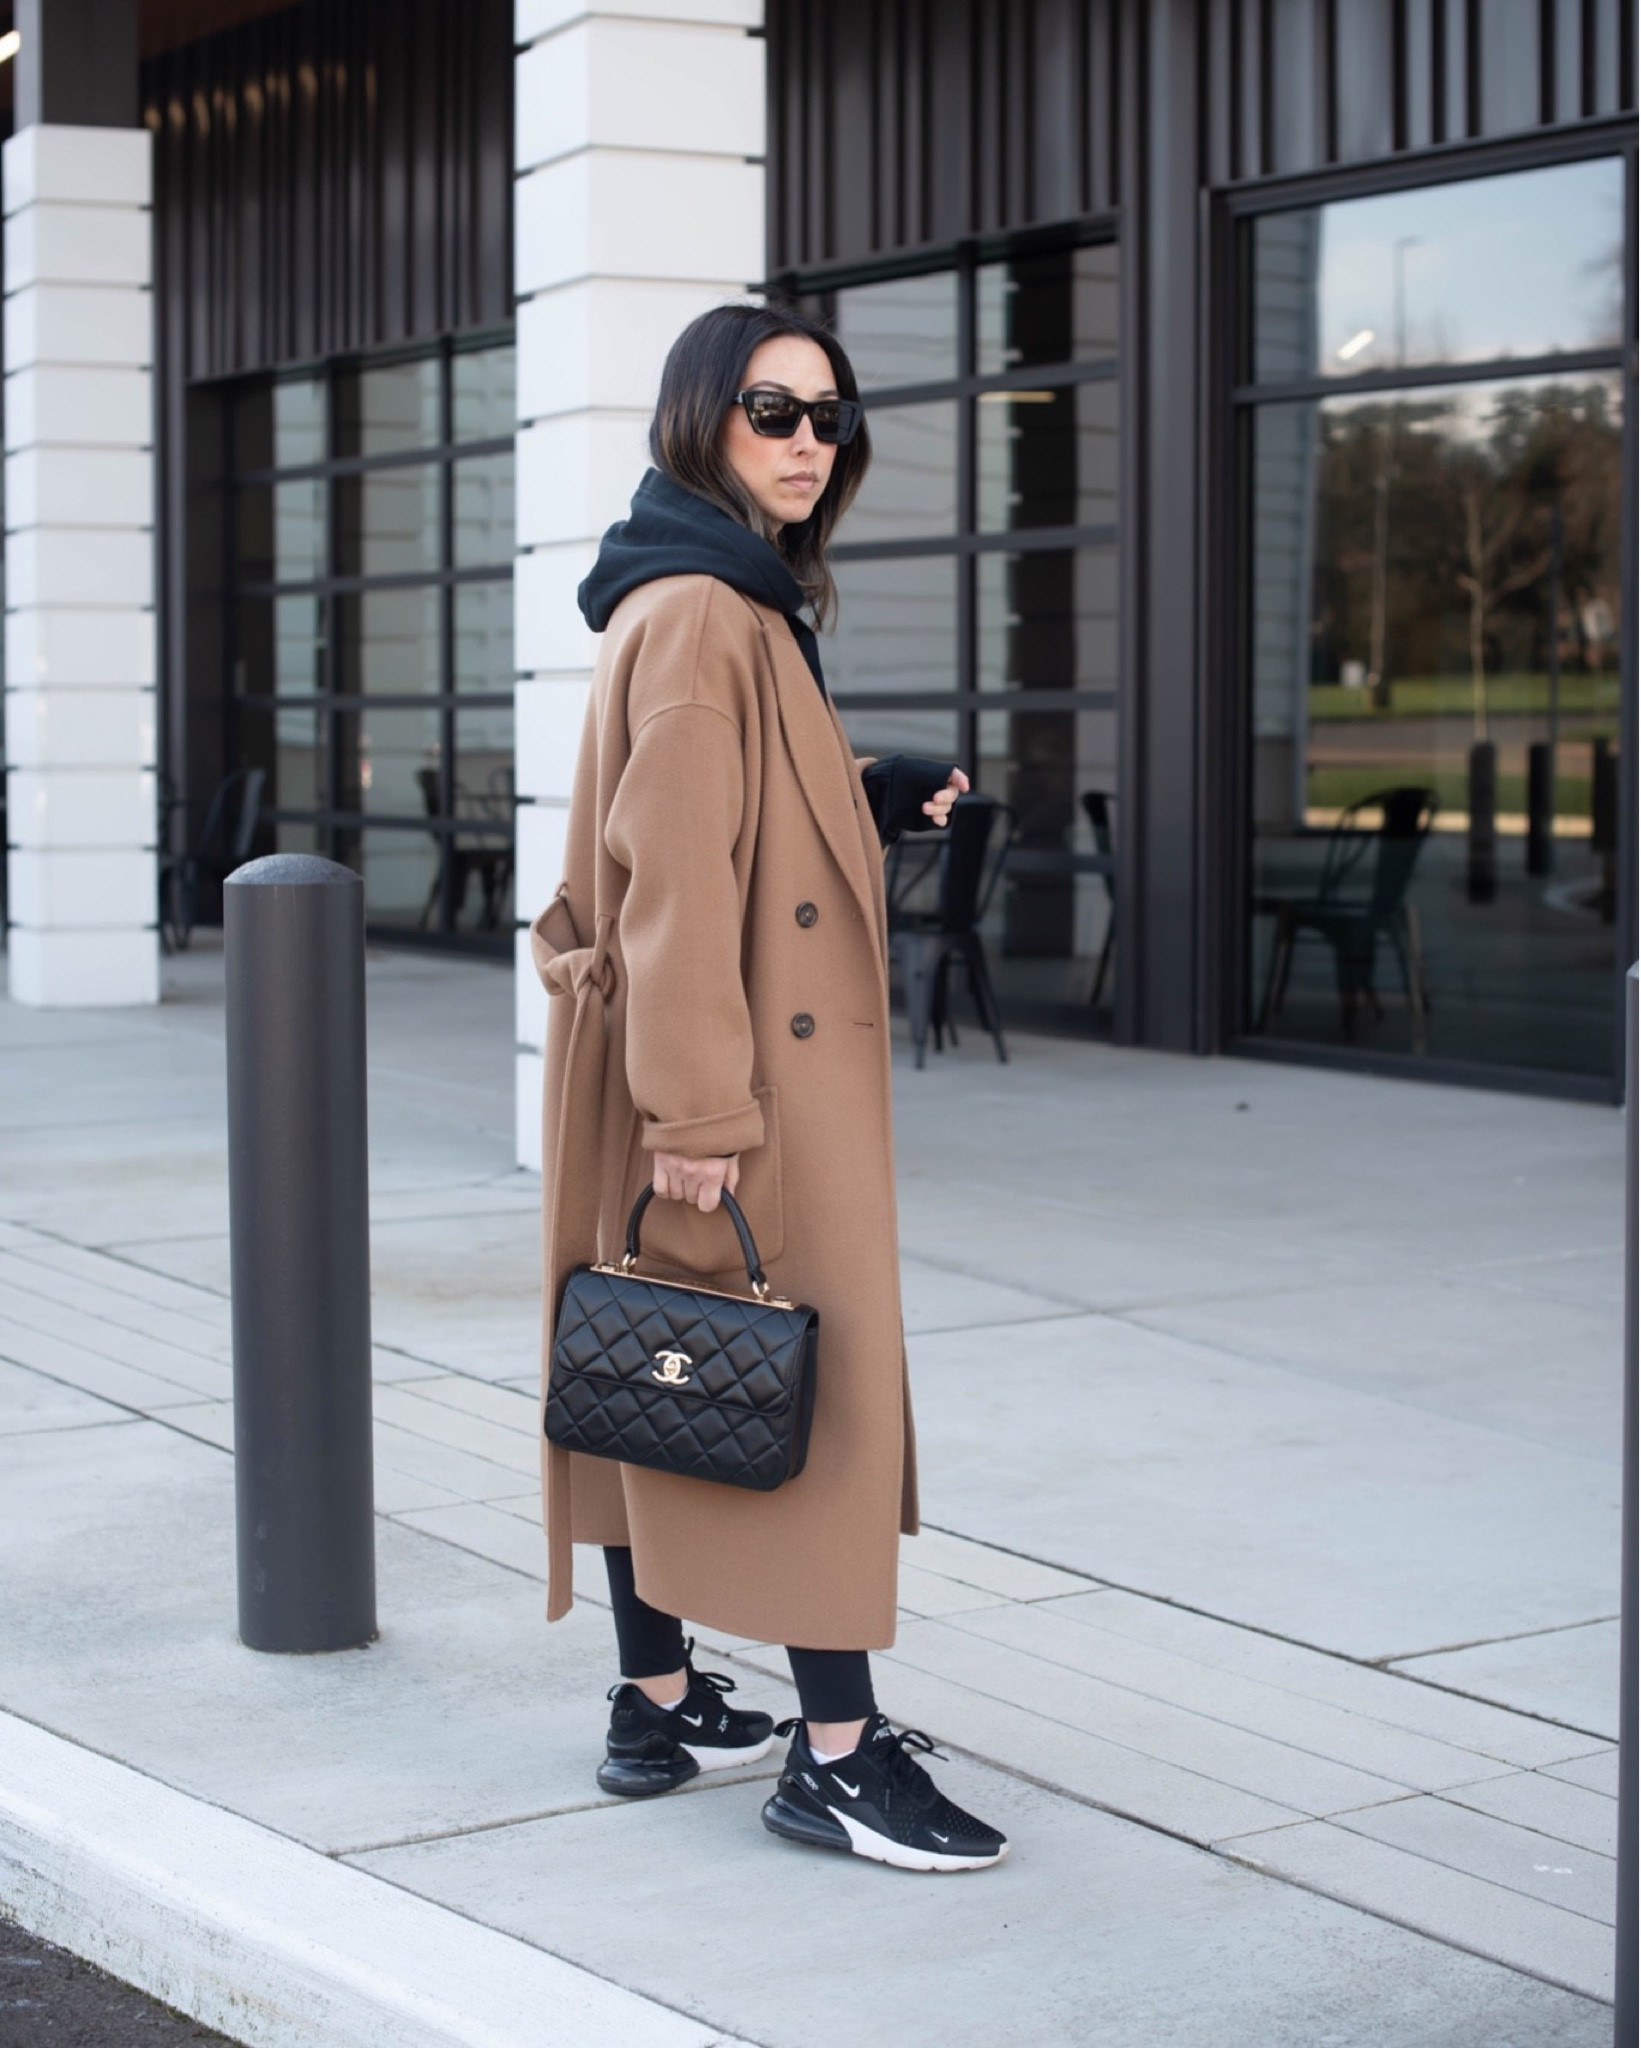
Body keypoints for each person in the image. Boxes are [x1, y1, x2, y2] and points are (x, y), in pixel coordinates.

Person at [530, 302, 1007, 1874]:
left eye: (830, 418)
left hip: (696, 1055)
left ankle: (655, 1698)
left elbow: (734, 834)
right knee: (789, 1391)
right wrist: (699, 1119)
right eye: (771, 410)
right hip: (720, 1075)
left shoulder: (722, 598)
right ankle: (839, 1757)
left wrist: (860, 796)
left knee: (663, 1367)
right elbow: (669, 882)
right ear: (698, 421)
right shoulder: (701, 614)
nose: (810, 444)